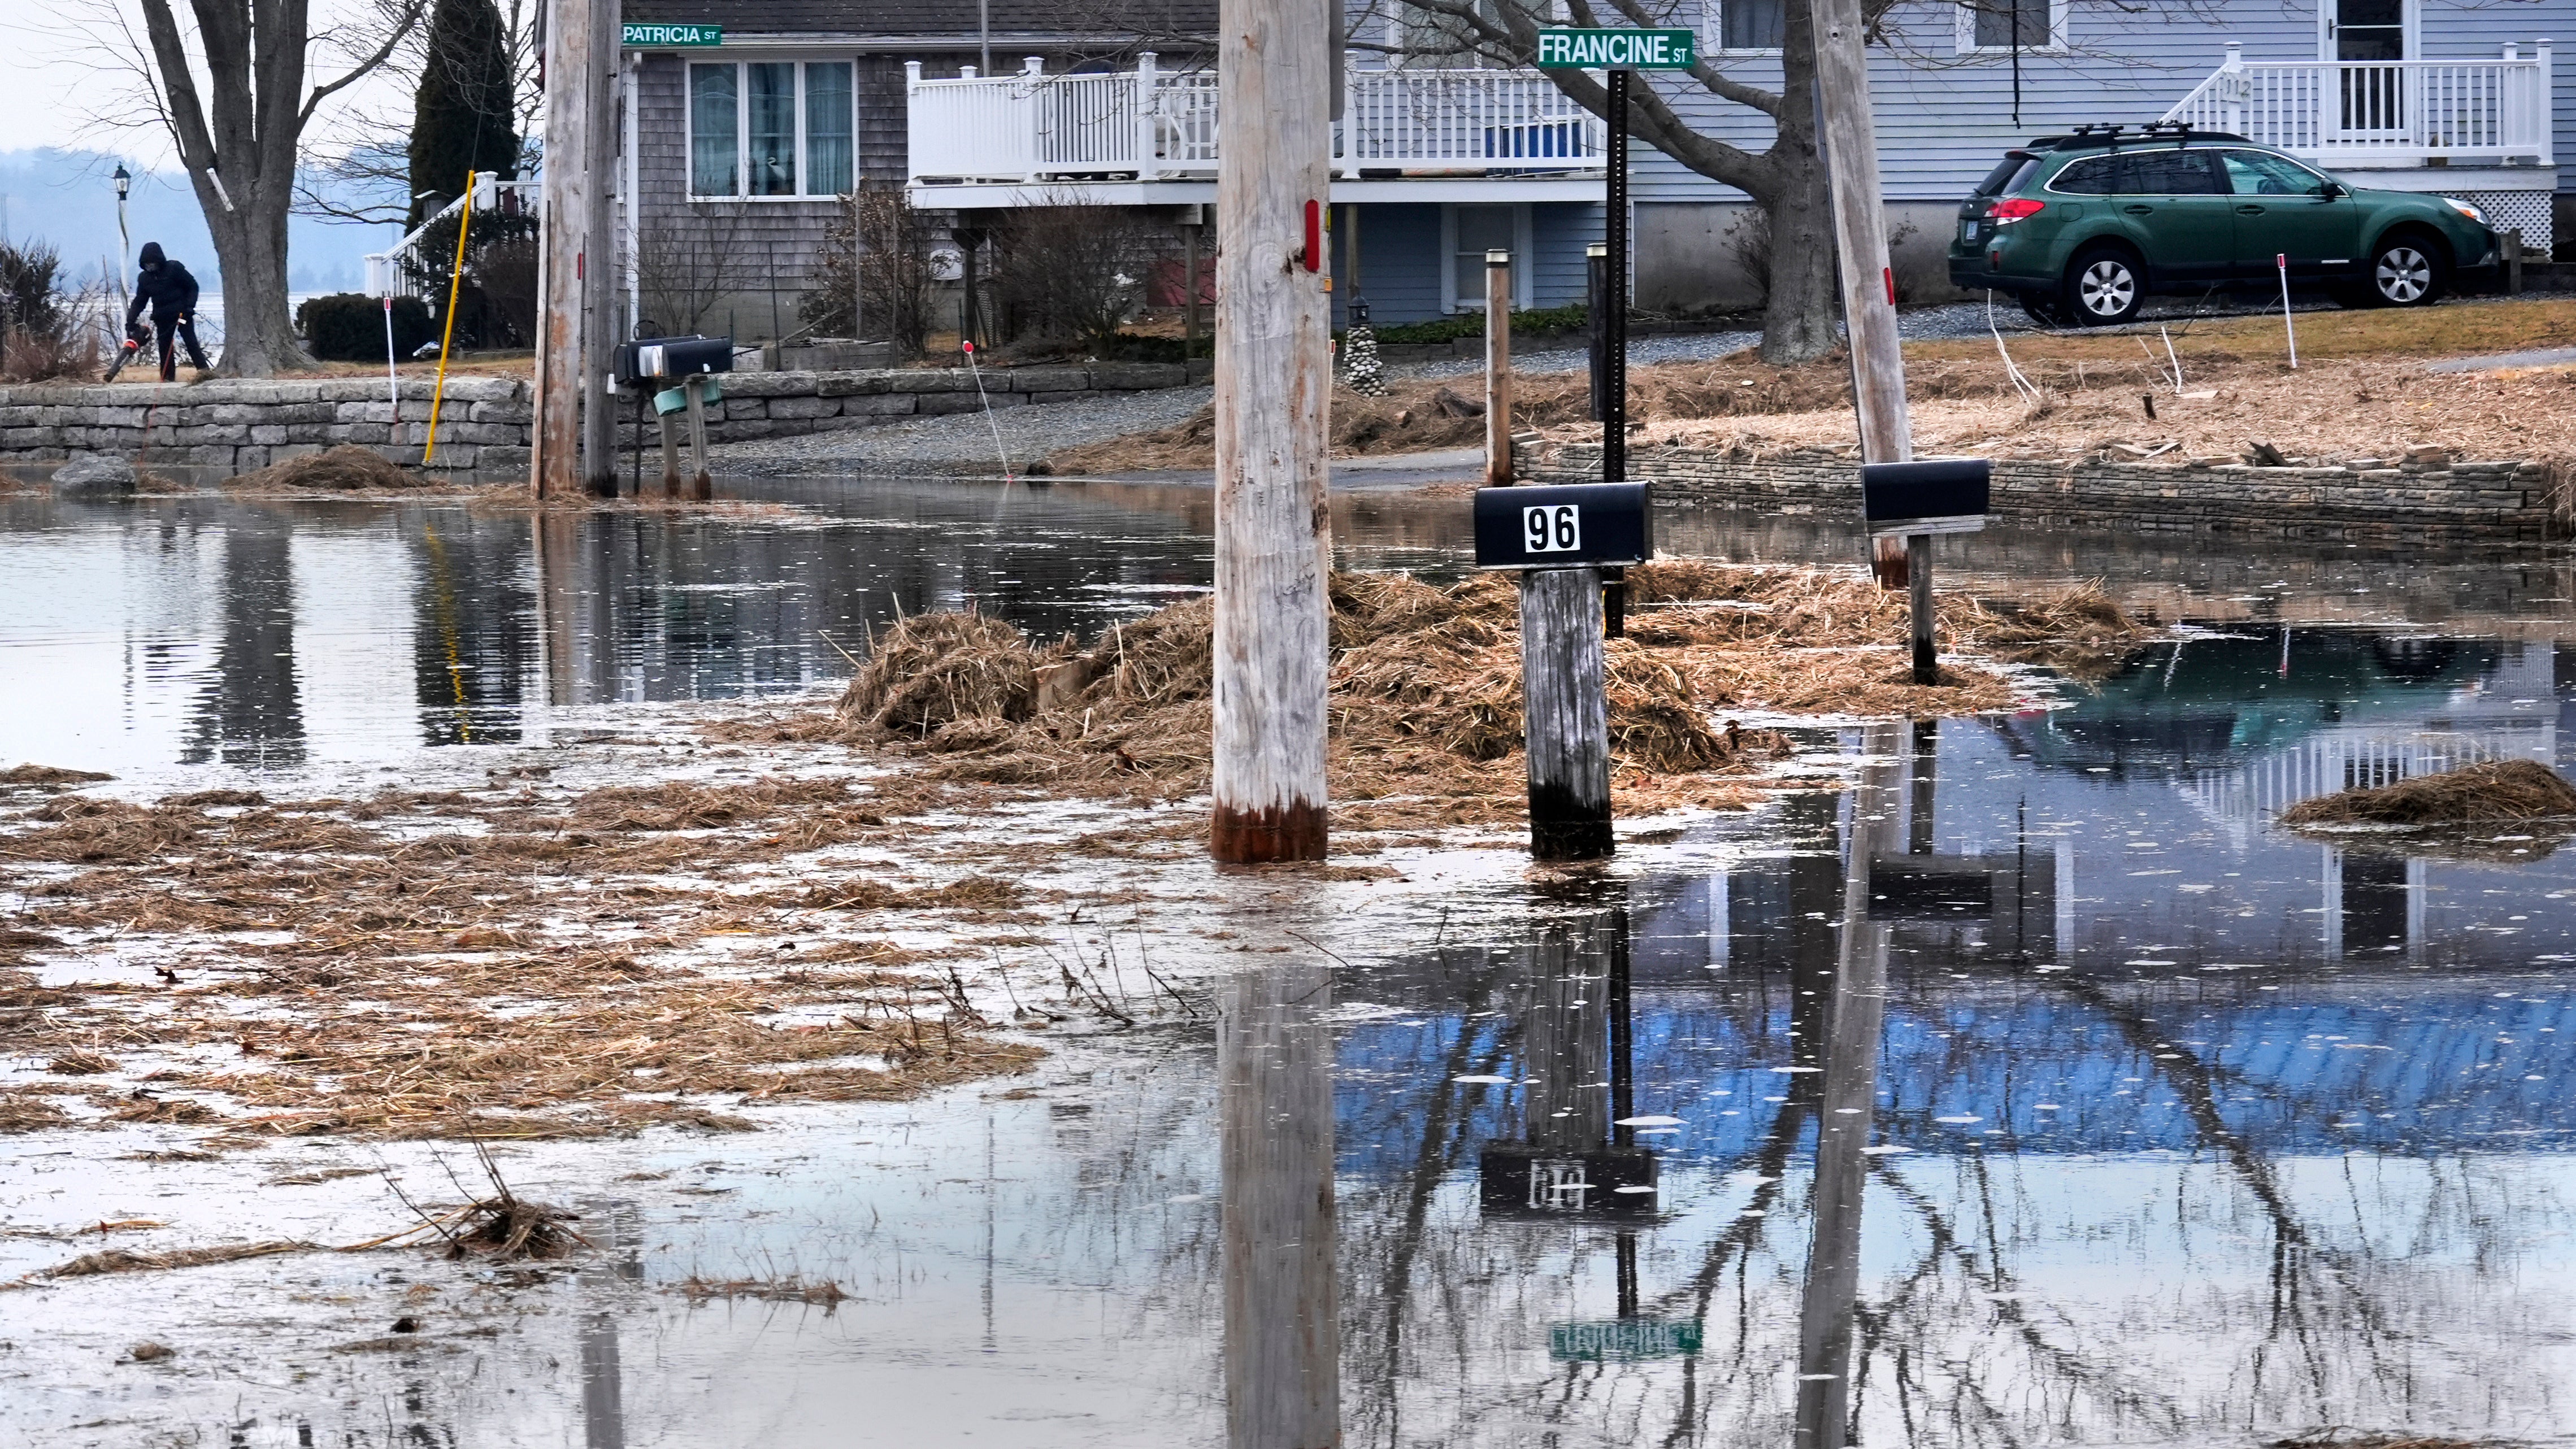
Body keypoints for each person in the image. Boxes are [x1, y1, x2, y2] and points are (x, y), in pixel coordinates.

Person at [126, 242, 210, 381]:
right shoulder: (144, 278)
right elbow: (140, 301)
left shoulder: (174, 269)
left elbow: (193, 286)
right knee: (164, 347)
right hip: (162, 318)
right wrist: (130, 320)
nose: (150, 266)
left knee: (191, 343)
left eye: (153, 263)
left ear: (159, 261)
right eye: (147, 264)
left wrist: (190, 306)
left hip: (182, 314)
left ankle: (204, 372)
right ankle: (167, 378)